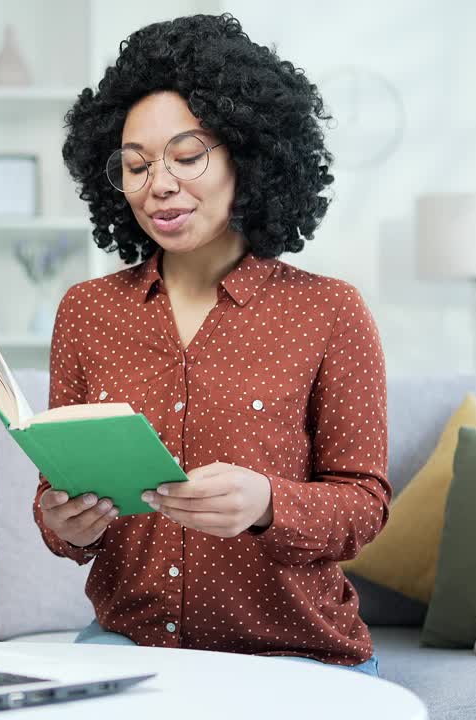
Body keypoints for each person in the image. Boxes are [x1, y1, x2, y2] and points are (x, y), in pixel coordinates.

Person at [34, 13, 389, 678]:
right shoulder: (86, 312)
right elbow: (57, 497)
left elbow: (364, 504)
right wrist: (65, 523)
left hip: (298, 653)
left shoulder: (329, 310)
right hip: (132, 646)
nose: (158, 184)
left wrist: (268, 504)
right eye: (135, 166)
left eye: (187, 155)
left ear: (247, 155)